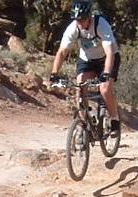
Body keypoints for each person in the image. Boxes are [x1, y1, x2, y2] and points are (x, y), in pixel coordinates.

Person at [50, 0, 121, 132]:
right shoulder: (73, 28)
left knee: (105, 89)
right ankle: (83, 124)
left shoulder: (101, 25)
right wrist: (54, 73)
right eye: (77, 19)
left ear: (89, 17)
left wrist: (105, 73)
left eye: (82, 19)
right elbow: (62, 52)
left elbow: (110, 52)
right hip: (87, 59)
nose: (79, 23)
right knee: (80, 87)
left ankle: (114, 118)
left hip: (107, 58)